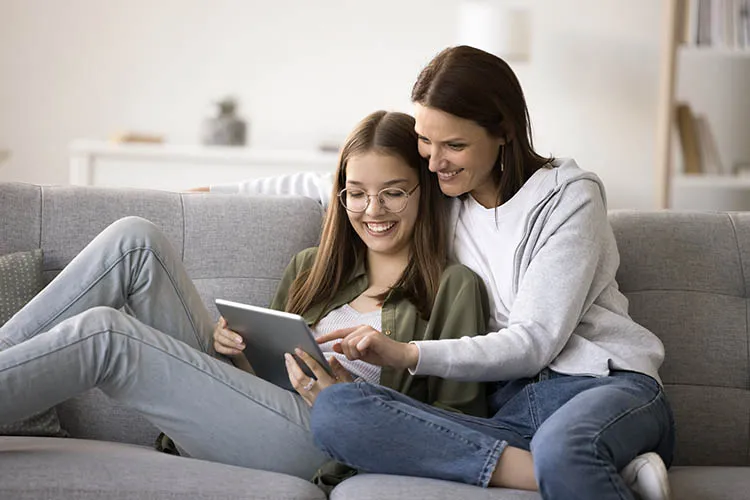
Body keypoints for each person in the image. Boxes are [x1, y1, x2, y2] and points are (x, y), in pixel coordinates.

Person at [208, 46, 675, 500]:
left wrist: (408, 353)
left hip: (603, 385)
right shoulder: (442, 193)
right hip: (508, 413)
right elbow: (339, 181)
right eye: (425, 143)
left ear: (504, 133)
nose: (434, 162)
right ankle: (610, 469)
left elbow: (535, 342)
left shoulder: (569, 198)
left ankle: (579, 460)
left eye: (454, 145)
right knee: (338, 410)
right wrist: (213, 189)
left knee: (563, 450)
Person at [0, 110, 490, 482]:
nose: (372, 209)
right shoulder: (312, 268)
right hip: (250, 415)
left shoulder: (454, 288)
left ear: (423, 191)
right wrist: (229, 346)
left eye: (394, 192)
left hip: (323, 442)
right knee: (134, 239)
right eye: (356, 192)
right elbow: (257, 377)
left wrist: (353, 400)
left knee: (105, 336)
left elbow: (463, 430)